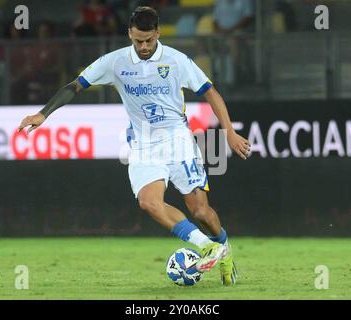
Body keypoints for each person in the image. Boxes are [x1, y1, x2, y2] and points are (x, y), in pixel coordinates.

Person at [17, 6, 251, 286]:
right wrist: (44, 113)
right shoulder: (115, 62)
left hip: (178, 140)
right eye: (138, 40)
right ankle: (208, 246)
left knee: (201, 212)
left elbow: (210, 91)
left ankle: (223, 246)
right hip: (143, 144)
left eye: (149, 40)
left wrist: (229, 132)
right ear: (129, 33)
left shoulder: (177, 61)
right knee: (148, 202)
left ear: (158, 33)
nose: (143, 46)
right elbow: (75, 85)